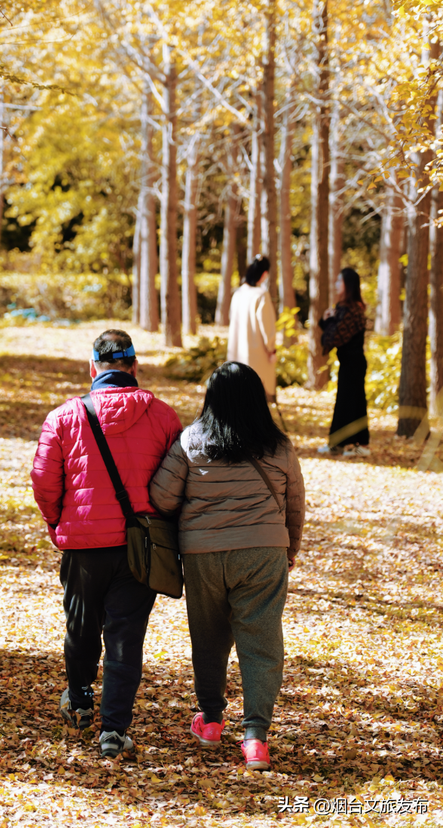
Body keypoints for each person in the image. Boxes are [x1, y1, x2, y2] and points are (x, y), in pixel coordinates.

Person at [30, 329, 182, 759]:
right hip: (140, 548)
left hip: (83, 545)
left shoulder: (64, 417)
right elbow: (177, 485)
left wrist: (58, 522)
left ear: (92, 368)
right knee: (125, 637)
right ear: (135, 366)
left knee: (81, 625)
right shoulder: (163, 417)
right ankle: (114, 730)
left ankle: (80, 699)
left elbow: (43, 481)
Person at [149, 362, 305, 771]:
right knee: (262, 643)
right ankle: (255, 739)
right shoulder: (280, 447)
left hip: (203, 553)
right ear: (257, 399)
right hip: (264, 551)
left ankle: (211, 721)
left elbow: (162, 498)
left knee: (209, 637)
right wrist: (289, 549)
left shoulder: (191, 440)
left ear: (212, 398)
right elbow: (294, 505)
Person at [317, 267, 370, 456]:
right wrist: (326, 321)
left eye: (340, 281)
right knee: (351, 402)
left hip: (353, 363)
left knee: (349, 403)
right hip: (350, 363)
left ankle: (350, 445)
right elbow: (332, 334)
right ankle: (354, 444)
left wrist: (326, 321)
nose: (336, 284)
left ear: (348, 285)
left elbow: (334, 337)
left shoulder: (351, 310)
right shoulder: (346, 308)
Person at [227, 255, 277, 400]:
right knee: (256, 396)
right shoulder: (261, 295)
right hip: (257, 356)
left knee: (239, 396)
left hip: (236, 355)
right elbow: (267, 326)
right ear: (264, 274)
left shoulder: (238, 294)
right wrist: (271, 349)